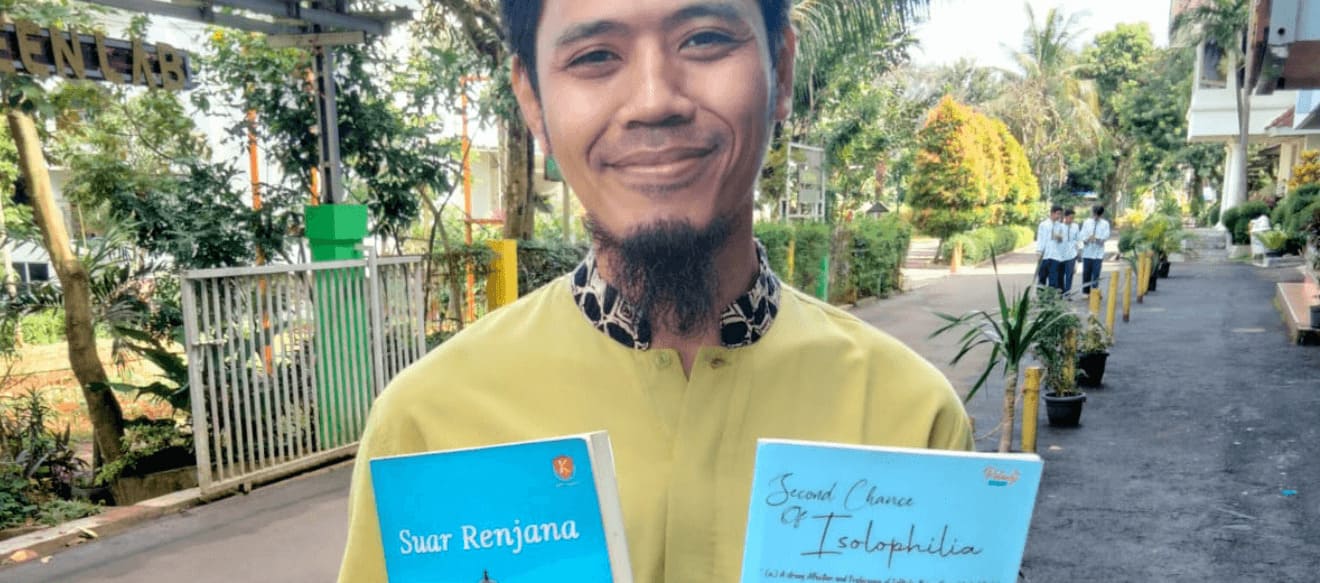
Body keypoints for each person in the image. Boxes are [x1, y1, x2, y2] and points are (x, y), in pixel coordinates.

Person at [335, 2, 974, 582]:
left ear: (780, 69)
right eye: (595, 56)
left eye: (704, 39)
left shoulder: (909, 419)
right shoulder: (426, 426)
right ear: (532, 101)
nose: (653, 101)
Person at [1079, 205, 1110, 294]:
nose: (1095, 217)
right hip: (1087, 253)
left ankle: (1094, 292)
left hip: (1098, 254)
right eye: (1094, 214)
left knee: (1096, 274)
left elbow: (1106, 236)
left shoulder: (1105, 224)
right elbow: (1082, 234)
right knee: (1086, 273)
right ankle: (1085, 292)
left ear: (1101, 215)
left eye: (1098, 215)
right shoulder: (1087, 222)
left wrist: (1097, 239)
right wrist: (1087, 239)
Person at [1036, 205, 1064, 290]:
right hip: (1044, 255)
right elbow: (1040, 238)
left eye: (1060, 214)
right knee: (1042, 277)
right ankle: (1041, 296)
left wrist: (1059, 237)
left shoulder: (1060, 226)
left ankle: (1051, 296)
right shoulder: (1043, 225)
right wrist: (1039, 251)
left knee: (1053, 279)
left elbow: (1061, 240)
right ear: (1052, 213)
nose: (1059, 216)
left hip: (1055, 256)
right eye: (1058, 214)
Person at [1059, 209, 1080, 294]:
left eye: (1073, 218)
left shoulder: (1075, 226)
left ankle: (1067, 293)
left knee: (1069, 275)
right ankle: (1061, 292)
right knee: (1060, 275)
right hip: (1060, 255)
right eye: (1070, 218)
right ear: (1065, 217)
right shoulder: (1059, 226)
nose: (1072, 220)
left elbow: (1078, 239)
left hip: (1072, 255)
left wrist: (1078, 251)